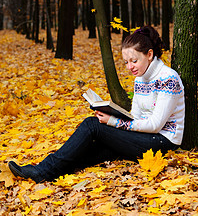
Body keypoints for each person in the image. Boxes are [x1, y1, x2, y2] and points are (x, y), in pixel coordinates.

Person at [8, 26, 185, 184]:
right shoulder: (140, 78)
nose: (129, 66)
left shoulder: (168, 78)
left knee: (92, 125)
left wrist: (113, 123)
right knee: (96, 148)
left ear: (149, 54)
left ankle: (42, 171)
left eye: (134, 60)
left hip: (163, 142)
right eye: (126, 62)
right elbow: (136, 116)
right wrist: (114, 116)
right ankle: (50, 171)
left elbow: (155, 125)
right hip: (143, 138)